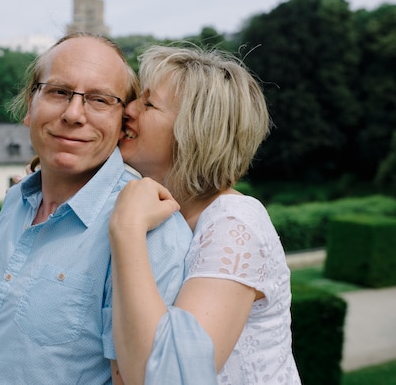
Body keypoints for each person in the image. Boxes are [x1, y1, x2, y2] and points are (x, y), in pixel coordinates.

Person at [0, 33, 200, 385]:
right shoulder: (15, 202)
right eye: (58, 92)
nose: (73, 114)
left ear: (123, 123)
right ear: (30, 104)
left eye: (99, 100)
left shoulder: (153, 234)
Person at [110, 45, 301, 384]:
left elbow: (169, 375)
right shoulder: (163, 209)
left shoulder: (233, 223)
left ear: (193, 133)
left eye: (148, 103)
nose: (128, 109)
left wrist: (126, 231)